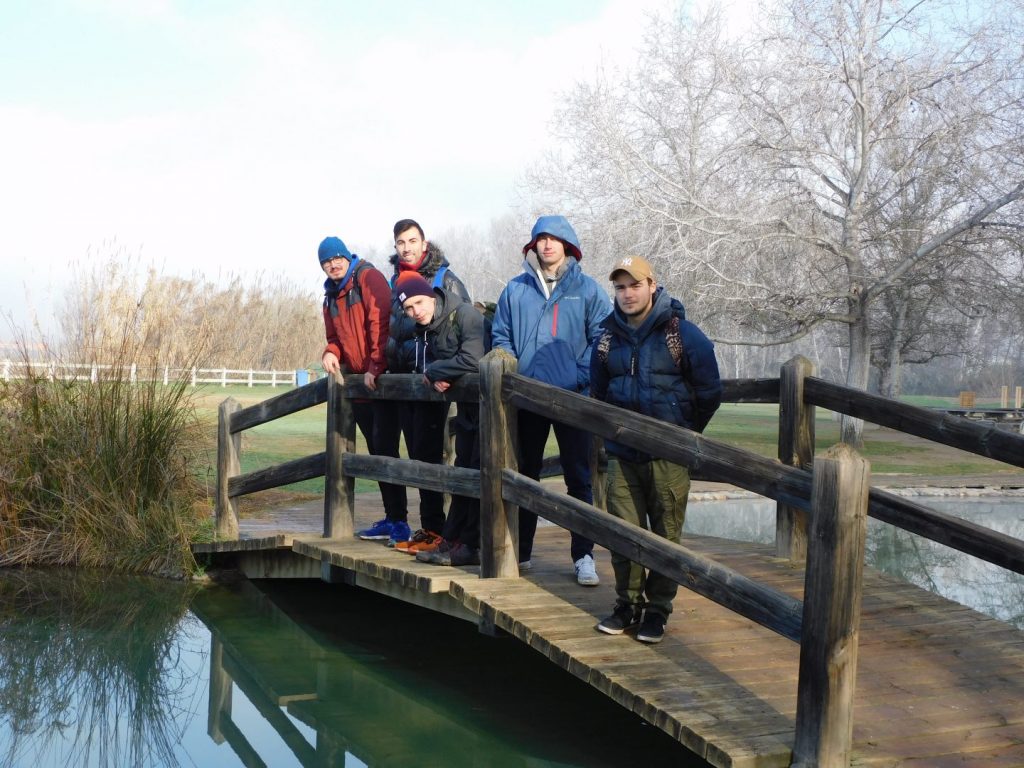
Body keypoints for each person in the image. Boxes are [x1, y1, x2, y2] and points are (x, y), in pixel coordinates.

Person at [591, 255, 722, 643]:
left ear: (652, 285)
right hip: (622, 454)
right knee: (623, 533)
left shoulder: (682, 334)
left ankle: (657, 610)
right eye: (620, 287)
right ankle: (626, 604)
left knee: (665, 535)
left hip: (668, 456)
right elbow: (598, 394)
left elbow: (710, 392)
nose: (627, 294)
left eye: (634, 285)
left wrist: (681, 434)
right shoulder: (606, 338)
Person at [491, 215, 611, 585]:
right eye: (540, 239)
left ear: (567, 245)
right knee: (525, 474)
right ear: (533, 246)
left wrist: (577, 376)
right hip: (527, 399)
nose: (546, 245)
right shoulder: (515, 289)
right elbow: (501, 336)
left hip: (573, 398)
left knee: (579, 478)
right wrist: (515, 377)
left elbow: (603, 341)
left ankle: (583, 556)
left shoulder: (588, 290)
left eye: (554, 239)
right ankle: (522, 550)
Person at [374, 218, 472, 554]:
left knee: (429, 455)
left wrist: (448, 372)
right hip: (403, 382)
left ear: (424, 243)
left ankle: (437, 528)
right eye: (401, 242)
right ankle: (428, 526)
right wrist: (379, 363)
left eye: (412, 241)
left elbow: (463, 330)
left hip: (434, 383)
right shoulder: (394, 282)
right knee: (415, 455)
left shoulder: (445, 279)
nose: (407, 248)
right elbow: (389, 329)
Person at [389, 272, 489, 566]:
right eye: (408, 309)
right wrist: (441, 372)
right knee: (462, 471)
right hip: (468, 408)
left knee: (476, 471)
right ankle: (453, 538)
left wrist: (436, 372)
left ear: (432, 296)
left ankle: (471, 543)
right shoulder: (428, 328)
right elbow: (439, 361)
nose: (415, 311)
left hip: (489, 407)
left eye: (419, 302)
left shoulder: (466, 316)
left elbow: (473, 359)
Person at [318, 236, 410, 543]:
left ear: (346, 257)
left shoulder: (367, 277)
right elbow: (335, 337)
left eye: (336, 259)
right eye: (326, 262)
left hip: (381, 381)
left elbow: (380, 323)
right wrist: (330, 352)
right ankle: (392, 517)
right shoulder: (330, 298)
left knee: (387, 449)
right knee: (376, 451)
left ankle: (402, 522)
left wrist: (375, 365)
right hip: (359, 386)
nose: (332, 264)